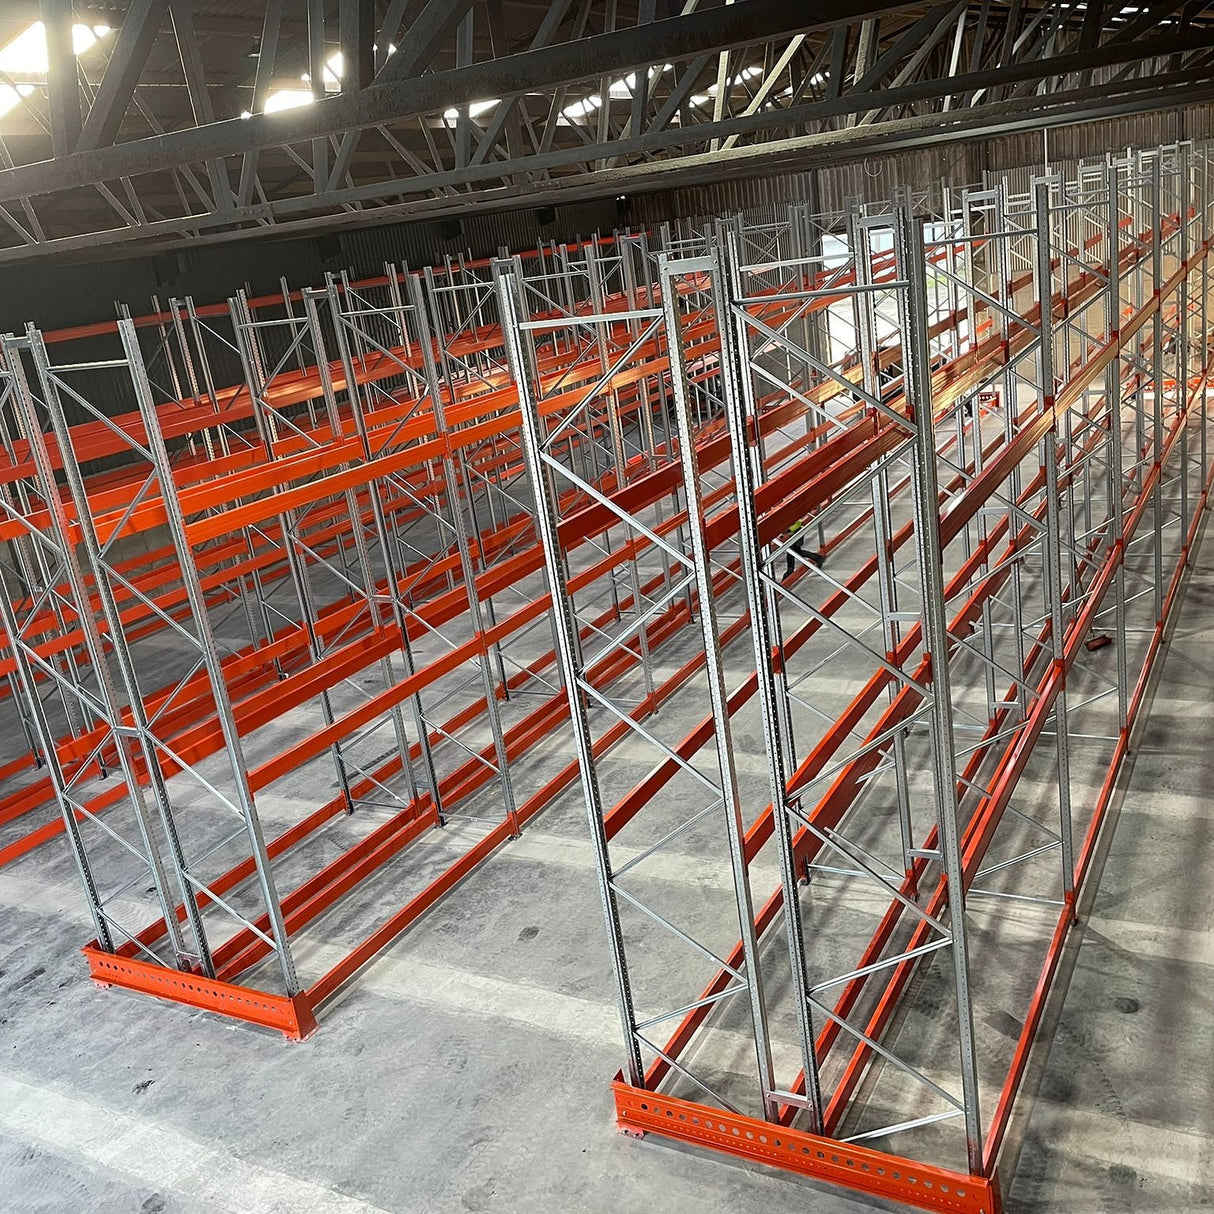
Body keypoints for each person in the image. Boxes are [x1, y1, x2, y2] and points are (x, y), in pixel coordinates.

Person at [784, 516, 825, 582]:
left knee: (792, 552)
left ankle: (789, 572)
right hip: (795, 533)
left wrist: (788, 530)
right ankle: (817, 558)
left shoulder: (790, 513)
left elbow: (797, 523)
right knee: (796, 552)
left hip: (797, 532)